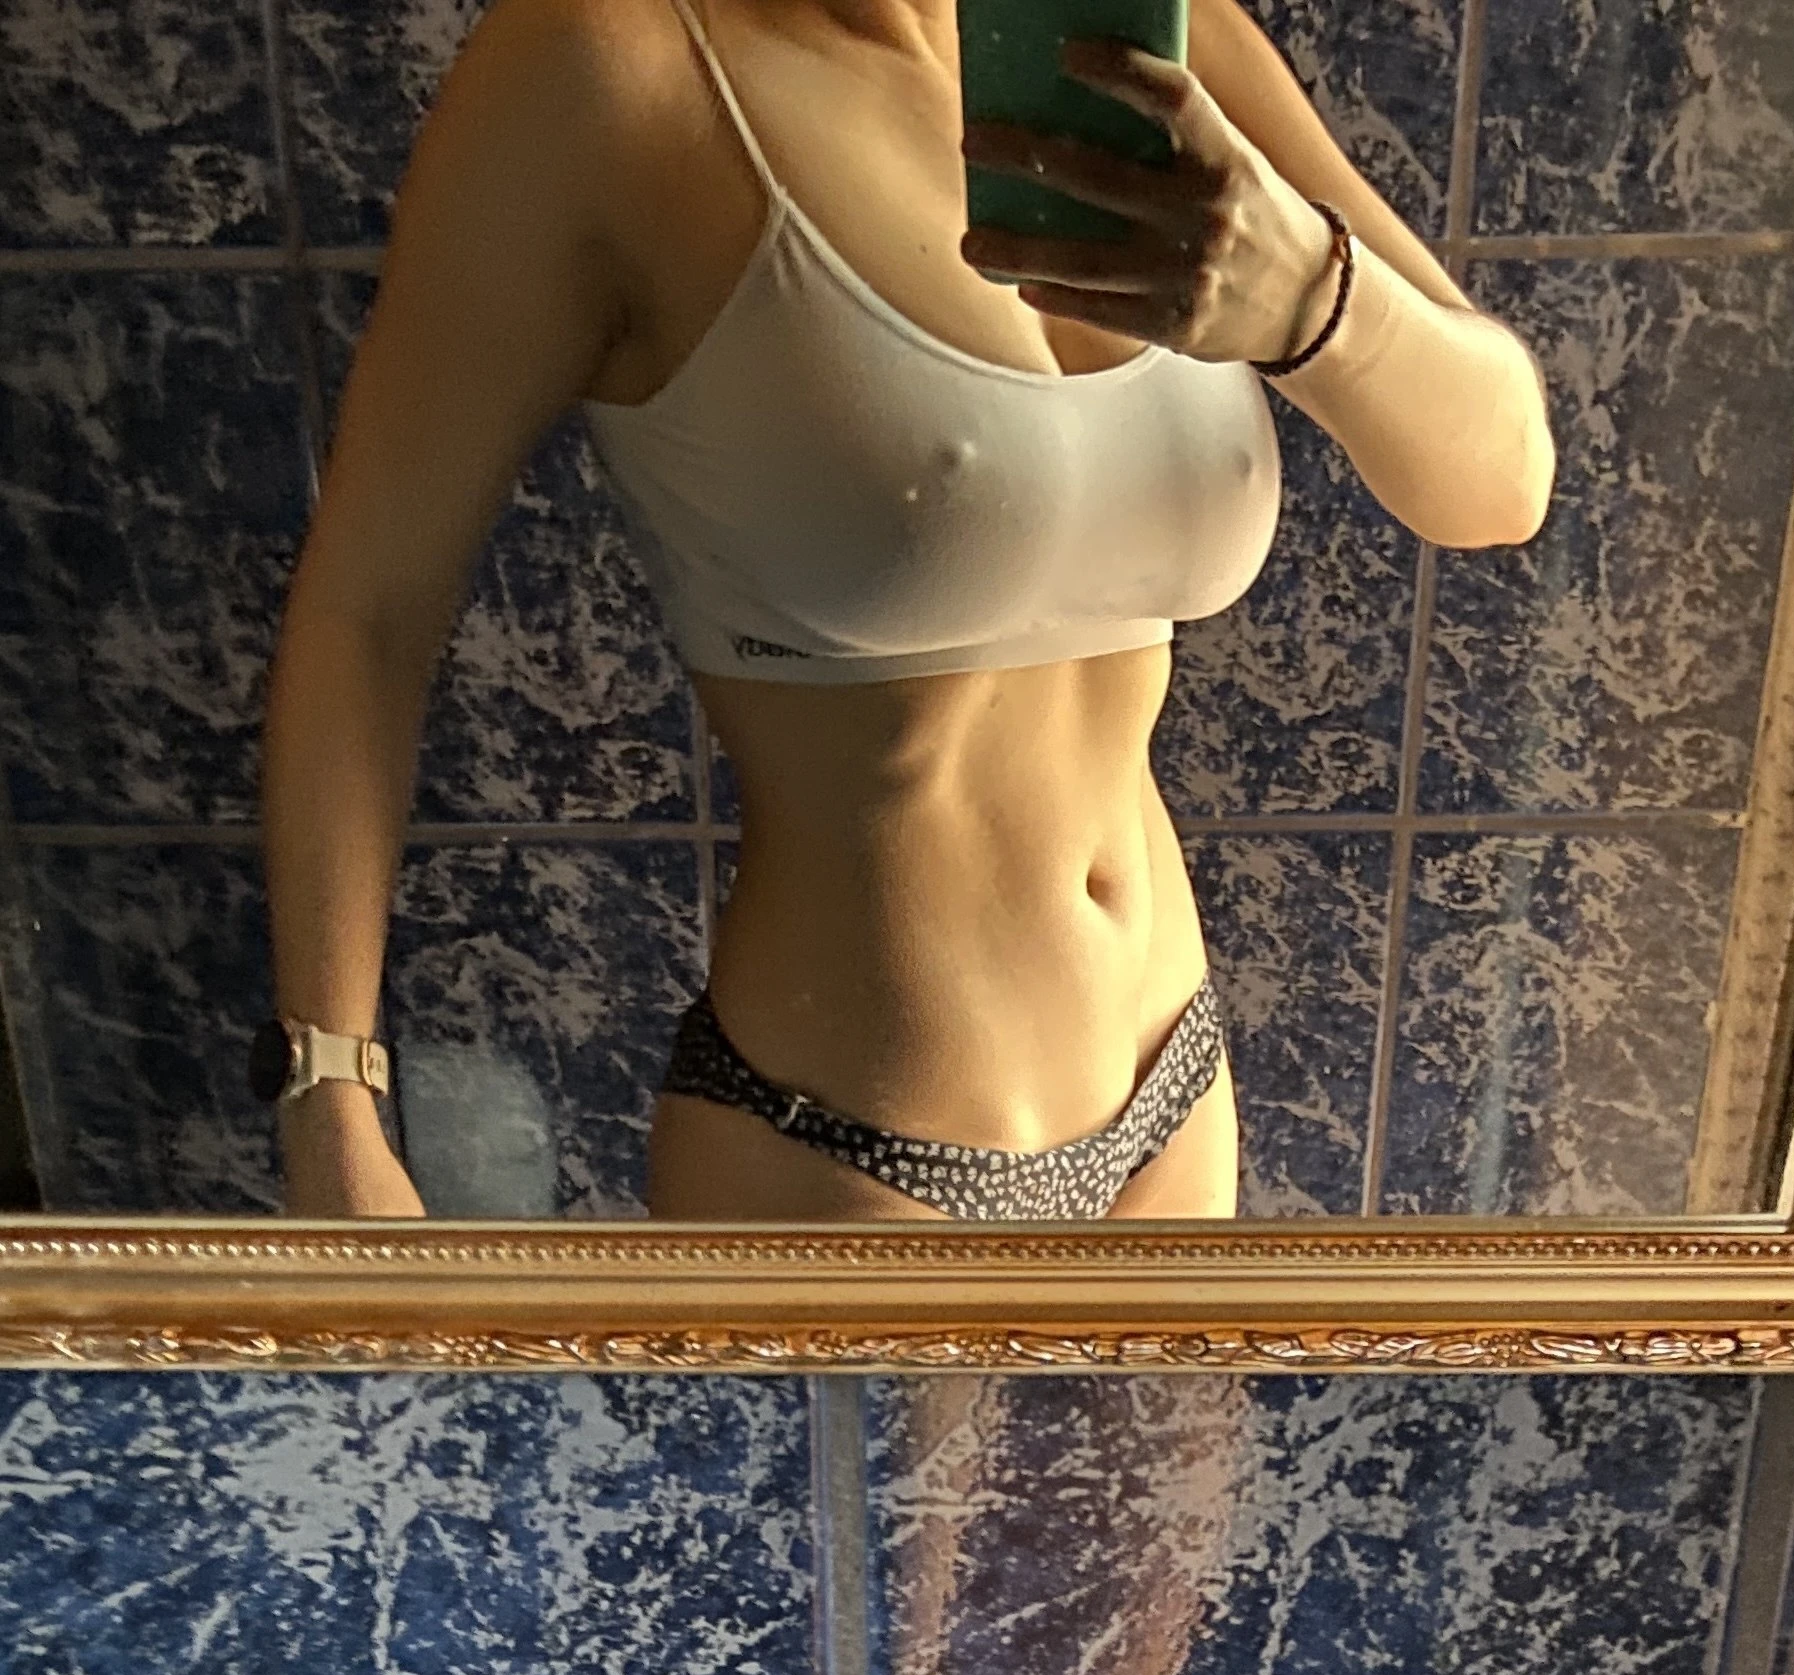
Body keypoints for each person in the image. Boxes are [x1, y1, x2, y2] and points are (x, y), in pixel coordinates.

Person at [259, 0, 1552, 1226]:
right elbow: (371, 607)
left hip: (1176, 1086)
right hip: (846, 1145)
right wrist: (331, 1099)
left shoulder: (1157, 34)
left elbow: (1501, 487)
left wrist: (1319, 305)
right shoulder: (606, 68)